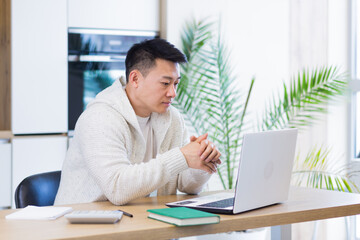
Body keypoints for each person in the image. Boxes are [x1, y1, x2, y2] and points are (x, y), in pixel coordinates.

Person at [54, 38, 221, 206]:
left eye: (176, 83)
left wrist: (200, 162)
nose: (173, 93)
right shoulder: (99, 118)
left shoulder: (172, 119)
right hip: (83, 227)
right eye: (165, 83)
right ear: (135, 79)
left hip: (139, 222)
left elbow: (187, 186)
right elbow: (117, 188)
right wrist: (182, 156)